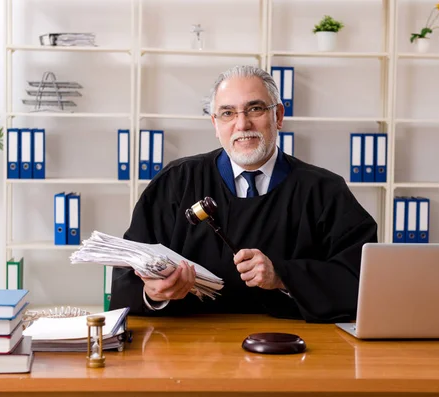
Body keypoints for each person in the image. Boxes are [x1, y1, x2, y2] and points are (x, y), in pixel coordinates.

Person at [110, 65, 378, 323]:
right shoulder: (177, 181)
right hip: (191, 348)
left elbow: (362, 281)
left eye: (256, 108)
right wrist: (153, 294)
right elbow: (126, 277)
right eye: (227, 113)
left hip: (295, 348)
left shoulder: (324, 190)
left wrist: (282, 276)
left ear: (279, 116)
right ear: (215, 124)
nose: (242, 124)